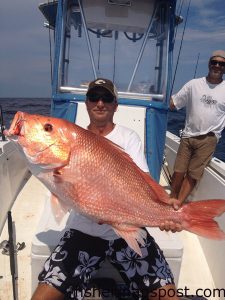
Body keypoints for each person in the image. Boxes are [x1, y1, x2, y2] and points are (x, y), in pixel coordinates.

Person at [32, 78, 180, 300]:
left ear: (115, 105)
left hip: (126, 230)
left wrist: (165, 209)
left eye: (107, 98)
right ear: (87, 103)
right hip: (83, 231)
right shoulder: (72, 140)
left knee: (169, 297)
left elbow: (142, 182)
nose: (100, 103)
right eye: (94, 97)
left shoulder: (128, 138)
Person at [170, 50, 225, 205]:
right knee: (179, 170)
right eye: (214, 62)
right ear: (209, 64)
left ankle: (178, 203)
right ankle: (172, 198)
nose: (217, 66)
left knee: (193, 174)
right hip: (188, 135)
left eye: (221, 64)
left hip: (209, 138)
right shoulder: (193, 84)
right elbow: (174, 103)